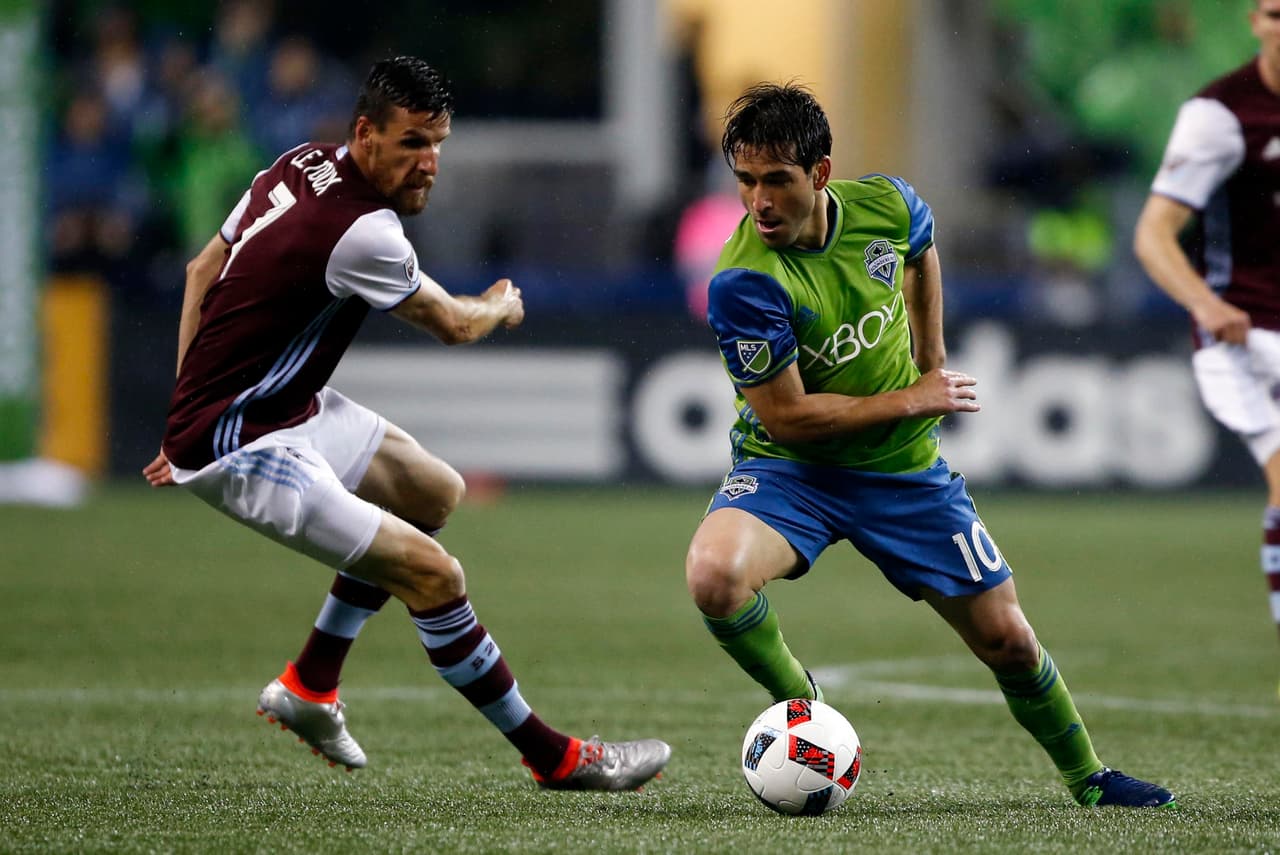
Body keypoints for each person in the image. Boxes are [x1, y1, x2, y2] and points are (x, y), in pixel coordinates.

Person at [141, 56, 669, 790]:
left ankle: (310, 683)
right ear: (365, 133)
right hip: (247, 443)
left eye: (439, 144)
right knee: (433, 573)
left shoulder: (301, 162)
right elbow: (454, 323)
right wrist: (503, 304)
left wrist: (184, 405)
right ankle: (558, 758)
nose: (430, 164)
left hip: (277, 409)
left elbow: (205, 269)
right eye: (414, 143)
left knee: (432, 494)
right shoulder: (364, 233)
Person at [683, 82, 1174, 808]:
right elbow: (788, 420)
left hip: (901, 472)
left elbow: (920, 246)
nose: (758, 201)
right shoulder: (743, 280)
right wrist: (913, 395)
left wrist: (932, 354)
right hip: (790, 471)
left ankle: (1089, 777)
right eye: (746, 181)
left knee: (1008, 639)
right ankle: (803, 704)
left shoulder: (886, 205)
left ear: (819, 174)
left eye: (776, 181)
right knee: (713, 575)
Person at [1134, 0, 1280, 701]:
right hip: (1245, 339)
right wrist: (1206, 302)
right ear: (1256, 20)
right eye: (1279, 12)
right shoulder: (1221, 115)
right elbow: (1154, 234)